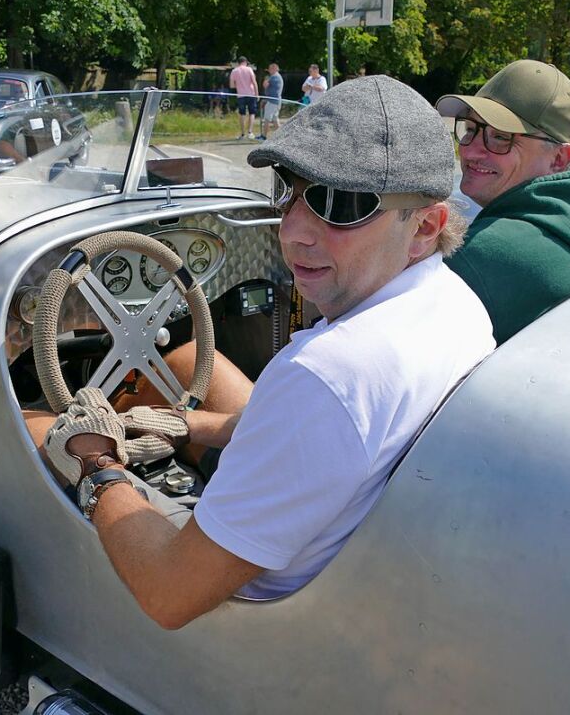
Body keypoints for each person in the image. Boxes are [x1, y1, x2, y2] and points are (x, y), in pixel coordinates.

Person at [34, 76, 495, 629]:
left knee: (35, 424)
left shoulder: (330, 375)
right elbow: (325, 421)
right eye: (289, 191)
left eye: (338, 204)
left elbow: (168, 594)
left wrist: (98, 460)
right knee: (181, 358)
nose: (293, 231)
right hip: (342, 529)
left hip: (238, 596)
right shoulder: (453, 300)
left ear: (425, 225)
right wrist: (190, 427)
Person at [435, 59, 570, 344]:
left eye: (501, 137)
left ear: (558, 159)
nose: (470, 151)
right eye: (470, 129)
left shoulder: (487, 253)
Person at [229, 56, 259, 139]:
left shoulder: (234, 71)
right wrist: (257, 94)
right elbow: (254, 82)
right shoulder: (249, 69)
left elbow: (231, 85)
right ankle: (250, 132)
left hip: (241, 95)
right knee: (252, 113)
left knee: (242, 114)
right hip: (251, 94)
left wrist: (239, 85)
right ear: (245, 62)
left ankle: (242, 133)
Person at [258, 62, 283, 141]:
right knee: (275, 119)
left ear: (274, 69)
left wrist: (266, 79)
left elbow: (265, 85)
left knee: (267, 119)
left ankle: (264, 136)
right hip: (275, 101)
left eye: (270, 69)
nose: (268, 70)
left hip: (272, 101)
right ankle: (281, 136)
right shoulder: (277, 76)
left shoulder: (274, 77)